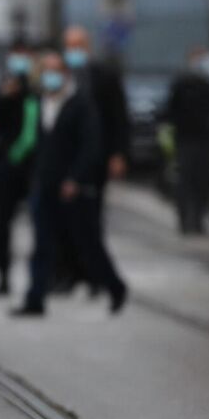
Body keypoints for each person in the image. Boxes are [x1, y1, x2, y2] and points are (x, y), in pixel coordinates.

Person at [13, 51, 127, 317]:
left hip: (73, 187)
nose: (50, 77)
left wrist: (76, 178)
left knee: (87, 242)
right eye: (46, 71)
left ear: (65, 74)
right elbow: (37, 143)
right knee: (42, 244)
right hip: (45, 184)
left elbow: (91, 145)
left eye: (55, 71)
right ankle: (35, 299)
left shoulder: (81, 103)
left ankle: (115, 286)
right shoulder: (40, 102)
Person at [58, 25, 129, 295]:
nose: (74, 50)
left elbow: (118, 116)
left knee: (91, 219)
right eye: (70, 45)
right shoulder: (60, 74)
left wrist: (118, 153)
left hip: (95, 158)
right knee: (63, 220)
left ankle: (94, 276)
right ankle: (68, 273)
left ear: (87, 46)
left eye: (79, 45)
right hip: (65, 159)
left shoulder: (104, 76)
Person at [0, 45, 38, 297]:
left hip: (31, 168)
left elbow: (32, 132)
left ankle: (49, 275)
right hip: (5, 169)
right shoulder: (2, 88)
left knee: (44, 224)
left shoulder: (35, 91)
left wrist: (19, 155)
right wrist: (4, 95)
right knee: (0, 226)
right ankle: (3, 275)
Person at [164, 47, 209, 236]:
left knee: (201, 182)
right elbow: (170, 111)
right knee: (185, 181)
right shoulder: (181, 85)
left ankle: (197, 221)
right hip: (185, 138)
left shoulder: (207, 85)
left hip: (204, 139)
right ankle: (185, 221)